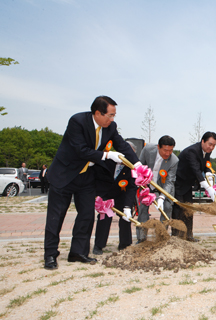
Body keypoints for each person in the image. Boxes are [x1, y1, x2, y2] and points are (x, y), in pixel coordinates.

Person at [43, 96, 140, 270]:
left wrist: (137, 165)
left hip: (86, 177)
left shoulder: (111, 127)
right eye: (109, 115)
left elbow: (123, 146)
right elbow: (80, 150)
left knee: (87, 216)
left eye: (114, 116)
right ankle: (50, 254)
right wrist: (107, 155)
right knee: (56, 217)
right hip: (64, 175)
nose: (112, 119)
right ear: (97, 113)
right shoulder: (77, 121)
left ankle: (78, 252)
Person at [172, 132, 216, 241]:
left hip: (188, 184)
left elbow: (206, 165)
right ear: (202, 141)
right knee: (178, 209)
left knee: (189, 209)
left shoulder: (206, 152)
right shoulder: (192, 151)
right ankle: (175, 237)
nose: (211, 147)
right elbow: (196, 170)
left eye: (214, 145)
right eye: (209, 144)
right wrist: (207, 187)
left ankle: (188, 235)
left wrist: (209, 175)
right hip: (179, 183)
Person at [92, 141, 137, 255]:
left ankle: (125, 244)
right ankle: (99, 245)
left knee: (125, 218)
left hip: (122, 194)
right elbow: (97, 177)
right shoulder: (107, 161)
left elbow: (132, 187)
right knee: (104, 218)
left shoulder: (132, 167)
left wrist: (127, 207)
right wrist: (98, 195)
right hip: (106, 193)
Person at [136, 135, 179, 242]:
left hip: (162, 188)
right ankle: (141, 238)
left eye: (170, 150)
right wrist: (142, 183)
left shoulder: (174, 160)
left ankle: (161, 237)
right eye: (165, 150)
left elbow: (170, 182)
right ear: (158, 147)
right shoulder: (147, 150)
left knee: (167, 207)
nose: (167, 153)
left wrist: (162, 197)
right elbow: (139, 167)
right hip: (145, 185)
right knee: (142, 209)